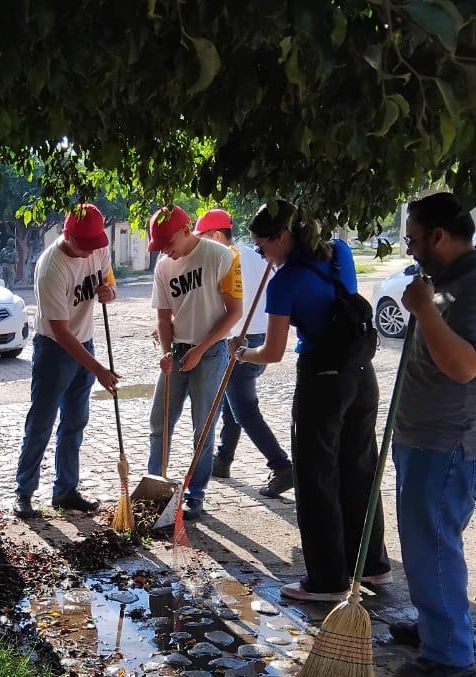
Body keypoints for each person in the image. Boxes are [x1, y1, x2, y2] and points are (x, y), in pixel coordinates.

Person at [389, 193, 476, 677]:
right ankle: (434, 626)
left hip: (452, 443)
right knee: (424, 543)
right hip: (426, 438)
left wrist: (424, 311)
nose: (411, 250)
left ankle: (449, 653)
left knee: (434, 546)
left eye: (413, 239)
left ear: (438, 236)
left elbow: (464, 366)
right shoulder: (448, 282)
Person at [237, 200, 391, 603]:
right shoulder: (339, 253)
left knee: (316, 478)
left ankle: (327, 581)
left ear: (281, 237)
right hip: (361, 374)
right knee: (360, 468)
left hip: (322, 382)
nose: (263, 256)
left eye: (262, 247)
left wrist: (241, 353)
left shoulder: (284, 283)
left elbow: (272, 353)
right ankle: (371, 564)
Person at [13, 204, 118, 518]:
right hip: (54, 350)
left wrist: (109, 292)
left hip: (85, 343)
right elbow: (60, 331)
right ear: (65, 233)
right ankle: (24, 492)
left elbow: (110, 283)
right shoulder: (51, 267)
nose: (90, 252)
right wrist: (98, 369)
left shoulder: (98, 247)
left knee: (75, 422)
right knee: (41, 422)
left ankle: (66, 490)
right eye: (83, 245)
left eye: (94, 245)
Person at [145, 205, 242, 520]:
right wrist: (165, 351)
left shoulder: (220, 256)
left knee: (204, 427)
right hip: (177, 350)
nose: (164, 251)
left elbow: (234, 312)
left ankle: (195, 494)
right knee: (160, 422)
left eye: (168, 243)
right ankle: (155, 488)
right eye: (159, 246)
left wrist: (201, 348)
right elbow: (163, 318)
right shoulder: (163, 267)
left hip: (210, 352)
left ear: (185, 231)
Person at [197, 209, 294, 498]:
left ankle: (281, 466)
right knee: (232, 402)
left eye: (203, 238)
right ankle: (223, 459)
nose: (200, 245)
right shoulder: (252, 254)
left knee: (244, 411)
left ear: (217, 236)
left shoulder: (224, 259)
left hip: (241, 339)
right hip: (260, 334)